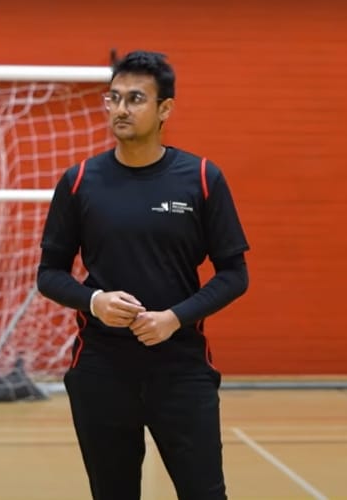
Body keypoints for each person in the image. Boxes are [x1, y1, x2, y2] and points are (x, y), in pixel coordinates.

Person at [36, 50, 249, 500]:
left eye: (135, 99)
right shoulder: (79, 181)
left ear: (164, 109)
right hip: (100, 370)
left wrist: (174, 317)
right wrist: (94, 302)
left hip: (181, 368)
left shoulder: (203, 177)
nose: (120, 109)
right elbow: (49, 274)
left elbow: (234, 274)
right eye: (112, 98)